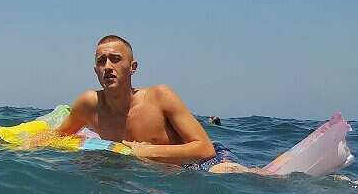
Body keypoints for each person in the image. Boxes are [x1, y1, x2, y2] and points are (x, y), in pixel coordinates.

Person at [54, 35, 250, 172]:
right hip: (154, 173)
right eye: (101, 61)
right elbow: (56, 138)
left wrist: (146, 151)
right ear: (95, 70)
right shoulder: (89, 104)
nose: (108, 67)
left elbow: (204, 150)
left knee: (223, 172)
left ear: (132, 68)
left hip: (204, 162)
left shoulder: (160, 96)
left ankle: (265, 175)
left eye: (115, 59)